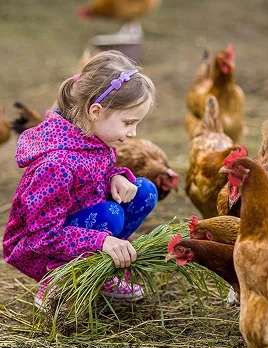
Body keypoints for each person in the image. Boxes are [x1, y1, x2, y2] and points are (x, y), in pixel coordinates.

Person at [3, 50, 158, 309]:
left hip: (80, 224)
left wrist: (115, 177)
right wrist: (101, 241)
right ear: (96, 111)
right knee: (111, 215)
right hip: (39, 247)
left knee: (144, 191)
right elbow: (43, 236)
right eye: (129, 123)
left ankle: (97, 270)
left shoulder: (96, 137)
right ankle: (58, 281)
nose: (133, 133)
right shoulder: (57, 164)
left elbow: (94, 174)